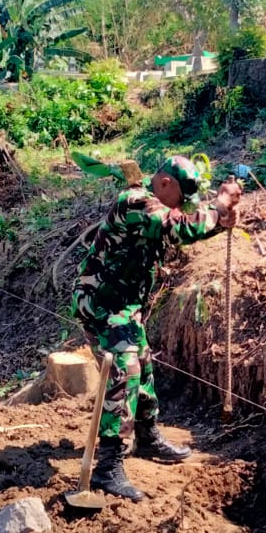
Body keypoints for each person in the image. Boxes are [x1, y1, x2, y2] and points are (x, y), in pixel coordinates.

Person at [74, 155, 241, 502]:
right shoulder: (135, 202)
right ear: (165, 183)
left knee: (144, 366)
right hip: (101, 304)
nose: (180, 206)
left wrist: (220, 221)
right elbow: (177, 227)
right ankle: (108, 466)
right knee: (125, 369)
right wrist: (219, 206)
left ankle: (147, 436)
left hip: (125, 307)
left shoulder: (155, 208)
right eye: (180, 197)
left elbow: (183, 230)